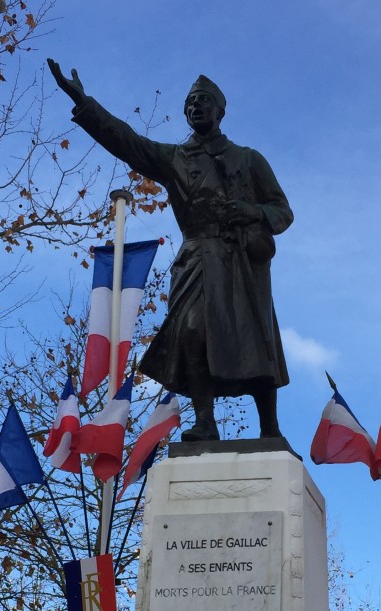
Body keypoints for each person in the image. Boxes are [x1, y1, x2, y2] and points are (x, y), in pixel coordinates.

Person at [47, 63, 293, 442]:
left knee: (254, 340)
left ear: (220, 111)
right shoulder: (176, 158)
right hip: (196, 257)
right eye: (190, 103)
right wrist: (85, 104)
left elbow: (282, 210)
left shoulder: (248, 159)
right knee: (193, 332)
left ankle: (270, 428)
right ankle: (205, 421)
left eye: (204, 101)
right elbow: (127, 141)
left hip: (240, 260)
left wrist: (253, 212)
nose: (195, 107)